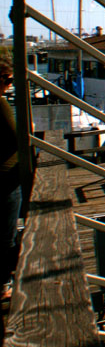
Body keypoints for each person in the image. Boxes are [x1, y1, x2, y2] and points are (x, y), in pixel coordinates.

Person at [1, 55, 20, 302]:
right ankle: (4, 283)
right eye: (9, 80)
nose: (10, 84)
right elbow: (17, 138)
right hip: (6, 180)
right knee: (6, 235)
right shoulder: (1, 104)